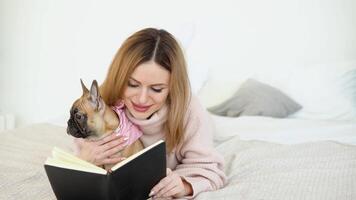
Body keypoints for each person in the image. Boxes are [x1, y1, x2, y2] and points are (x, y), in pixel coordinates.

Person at [73, 28, 226, 199]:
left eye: (156, 89)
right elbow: (77, 163)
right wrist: (84, 160)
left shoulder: (189, 110)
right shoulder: (99, 105)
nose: (142, 99)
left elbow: (210, 170)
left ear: (172, 88)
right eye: (132, 84)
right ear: (120, 78)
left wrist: (183, 185)